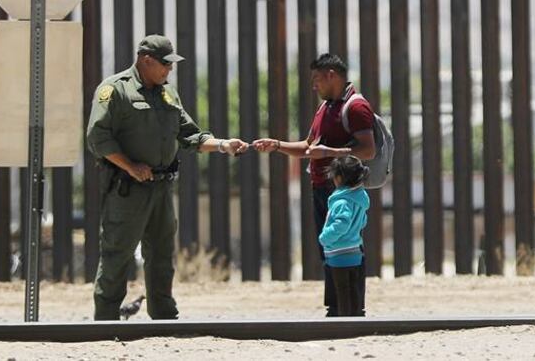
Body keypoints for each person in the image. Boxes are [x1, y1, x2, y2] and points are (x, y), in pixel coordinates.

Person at [86, 34, 248, 321]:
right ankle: (105, 319)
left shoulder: (168, 94)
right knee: (117, 254)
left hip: (161, 188)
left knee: (161, 255)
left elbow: (189, 135)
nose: (169, 70)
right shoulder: (115, 90)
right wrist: (130, 166)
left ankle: (163, 315)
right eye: (165, 65)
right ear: (145, 61)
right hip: (128, 189)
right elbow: (97, 138)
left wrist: (223, 145)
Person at [253, 53, 375, 316]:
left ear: (332, 75)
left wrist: (331, 152)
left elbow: (368, 150)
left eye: (317, 79)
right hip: (322, 188)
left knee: (349, 246)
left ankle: (353, 308)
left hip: (342, 190)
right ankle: (336, 307)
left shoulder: (355, 107)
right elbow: (310, 148)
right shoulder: (325, 107)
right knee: (329, 249)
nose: (314, 86)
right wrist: (277, 145)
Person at [318, 155, 371, 317]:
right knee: (353, 287)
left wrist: (324, 237)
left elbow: (341, 223)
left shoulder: (341, 202)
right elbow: (363, 222)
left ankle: (344, 321)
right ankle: (355, 318)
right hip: (355, 250)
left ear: (339, 178)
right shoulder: (359, 199)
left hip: (339, 252)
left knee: (342, 289)